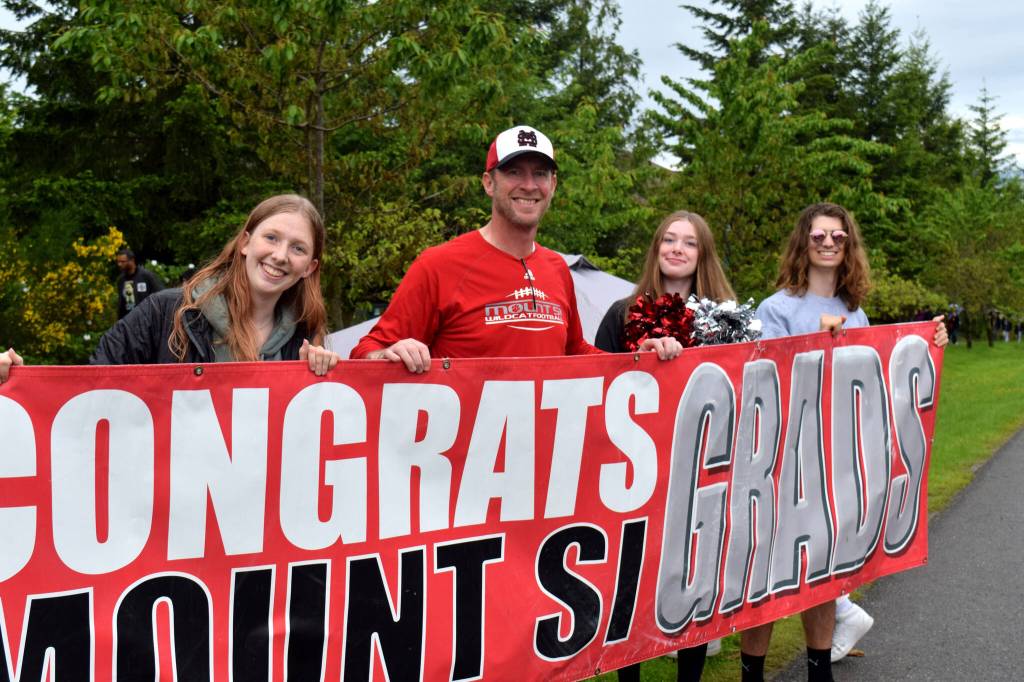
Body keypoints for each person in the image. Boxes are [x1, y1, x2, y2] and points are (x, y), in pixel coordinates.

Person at [746, 202, 947, 682]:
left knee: (822, 573)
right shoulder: (775, 308)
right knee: (768, 580)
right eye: (819, 236)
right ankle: (750, 674)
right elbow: (764, 379)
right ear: (803, 242)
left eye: (838, 237)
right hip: (783, 460)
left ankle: (819, 671)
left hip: (835, 462)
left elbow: (881, 378)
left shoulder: (857, 313)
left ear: (849, 245)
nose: (829, 244)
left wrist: (929, 341)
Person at [350, 125, 682, 367]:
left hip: (542, 457)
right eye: (513, 172)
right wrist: (388, 353)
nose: (528, 185)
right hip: (464, 458)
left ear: (553, 185)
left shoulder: (556, 269)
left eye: (540, 173)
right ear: (488, 183)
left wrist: (637, 359)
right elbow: (367, 349)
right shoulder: (438, 264)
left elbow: (573, 350)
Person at [595, 209, 736, 681]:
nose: (677, 248)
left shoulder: (725, 317)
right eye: (669, 240)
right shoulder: (621, 312)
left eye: (689, 243)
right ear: (656, 249)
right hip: (633, 471)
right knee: (630, 583)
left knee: (689, 581)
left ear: (703, 255)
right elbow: (595, 382)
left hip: (697, 469)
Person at [115, 247, 165, 319]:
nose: (119, 264)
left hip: (146, 318)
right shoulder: (121, 280)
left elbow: (160, 294)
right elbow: (121, 304)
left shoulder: (146, 276)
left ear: (132, 260)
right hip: (129, 320)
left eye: (122, 261)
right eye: (118, 262)